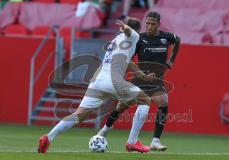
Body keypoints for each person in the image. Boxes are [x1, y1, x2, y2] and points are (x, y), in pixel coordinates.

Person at [38, 17, 156, 154]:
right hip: (113, 81)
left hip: (97, 81)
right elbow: (131, 33)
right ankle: (132, 142)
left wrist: (141, 75)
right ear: (139, 29)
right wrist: (126, 27)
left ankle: (48, 137)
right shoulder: (134, 36)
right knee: (145, 100)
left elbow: (128, 61)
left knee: (79, 115)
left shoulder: (115, 40)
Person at [97, 11, 181, 151]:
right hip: (140, 80)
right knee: (121, 106)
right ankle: (106, 128)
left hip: (156, 83)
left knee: (163, 100)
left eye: (152, 24)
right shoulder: (139, 40)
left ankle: (155, 140)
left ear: (158, 24)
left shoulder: (166, 37)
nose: (149, 27)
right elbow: (127, 58)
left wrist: (171, 60)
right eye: (147, 24)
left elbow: (178, 40)